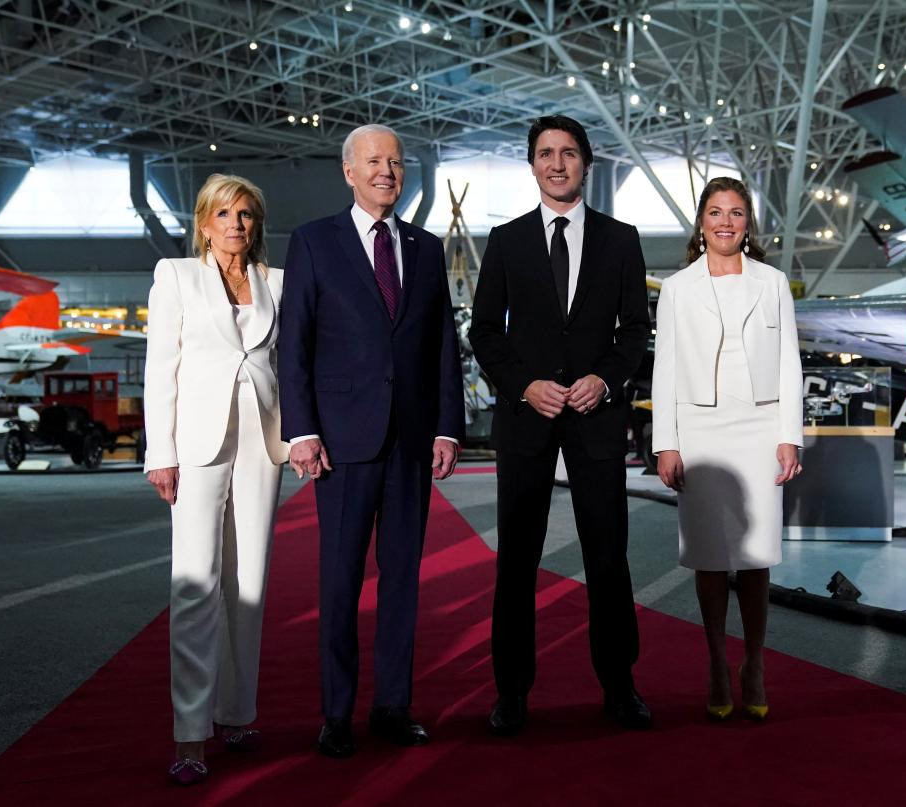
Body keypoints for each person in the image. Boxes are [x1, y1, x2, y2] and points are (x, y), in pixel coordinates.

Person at [277, 124, 464, 758]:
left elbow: (442, 346)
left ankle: (392, 705)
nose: (388, 170)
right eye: (374, 161)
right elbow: (293, 346)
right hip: (340, 442)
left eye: (396, 161)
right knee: (339, 582)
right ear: (349, 172)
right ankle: (336, 712)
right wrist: (300, 430)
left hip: (411, 441)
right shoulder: (313, 243)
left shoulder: (427, 247)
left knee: (403, 582)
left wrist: (446, 425)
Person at [469, 115, 652, 735]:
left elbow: (635, 332)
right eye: (545, 153)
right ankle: (512, 692)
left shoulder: (621, 240)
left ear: (585, 163)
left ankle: (620, 685)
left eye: (568, 153)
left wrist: (606, 378)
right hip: (527, 417)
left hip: (596, 417)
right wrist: (524, 384)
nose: (556, 163)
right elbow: (485, 332)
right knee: (516, 559)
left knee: (609, 557)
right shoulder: (507, 240)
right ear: (531, 164)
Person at [144, 174, 289, 785]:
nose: (236, 223)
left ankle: (237, 712)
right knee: (195, 582)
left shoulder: (277, 283)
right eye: (224, 213)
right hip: (196, 444)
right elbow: (161, 366)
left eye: (247, 214)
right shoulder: (175, 276)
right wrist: (160, 451)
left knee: (247, 580)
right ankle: (189, 733)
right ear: (204, 222)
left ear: (257, 225)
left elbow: (289, 363)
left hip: (263, 441)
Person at [650, 176, 803, 722]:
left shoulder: (774, 281)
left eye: (736, 213)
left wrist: (791, 434)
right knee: (711, 559)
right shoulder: (676, 288)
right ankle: (717, 660)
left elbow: (790, 361)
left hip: (761, 427)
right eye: (716, 212)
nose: (726, 222)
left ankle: (754, 663)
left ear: (748, 223)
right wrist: (665, 443)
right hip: (701, 430)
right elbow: (663, 366)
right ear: (701, 222)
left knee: (757, 558)